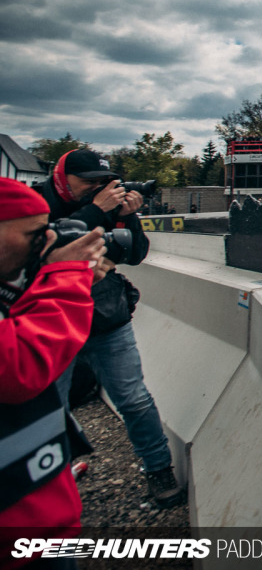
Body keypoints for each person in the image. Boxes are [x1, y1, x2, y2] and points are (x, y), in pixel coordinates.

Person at [37, 150, 185, 509]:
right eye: (87, 181)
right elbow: (44, 247)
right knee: (50, 408)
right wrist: (96, 210)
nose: (96, 187)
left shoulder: (106, 205)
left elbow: (134, 254)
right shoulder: (38, 203)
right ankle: (50, 482)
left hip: (105, 317)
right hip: (51, 324)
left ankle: (159, 469)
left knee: (133, 398)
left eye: (102, 181)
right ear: (62, 178)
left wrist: (127, 216)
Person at [1, 178, 107, 559]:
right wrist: (68, 276)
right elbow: (19, 365)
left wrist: (45, 276)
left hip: (36, 513)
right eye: (35, 235)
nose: (46, 241)